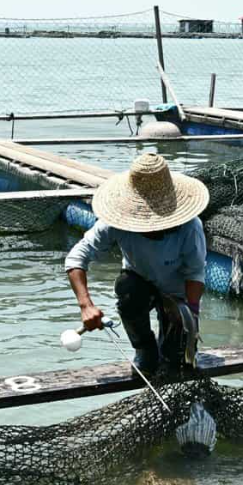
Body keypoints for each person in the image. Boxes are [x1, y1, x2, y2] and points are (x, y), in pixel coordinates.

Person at [65, 153, 210, 379]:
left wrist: (189, 314)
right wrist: (86, 305)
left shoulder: (190, 227)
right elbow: (77, 256)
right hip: (139, 282)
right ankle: (144, 349)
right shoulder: (115, 223)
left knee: (179, 363)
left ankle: (176, 347)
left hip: (178, 293)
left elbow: (195, 273)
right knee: (128, 289)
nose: (152, 227)